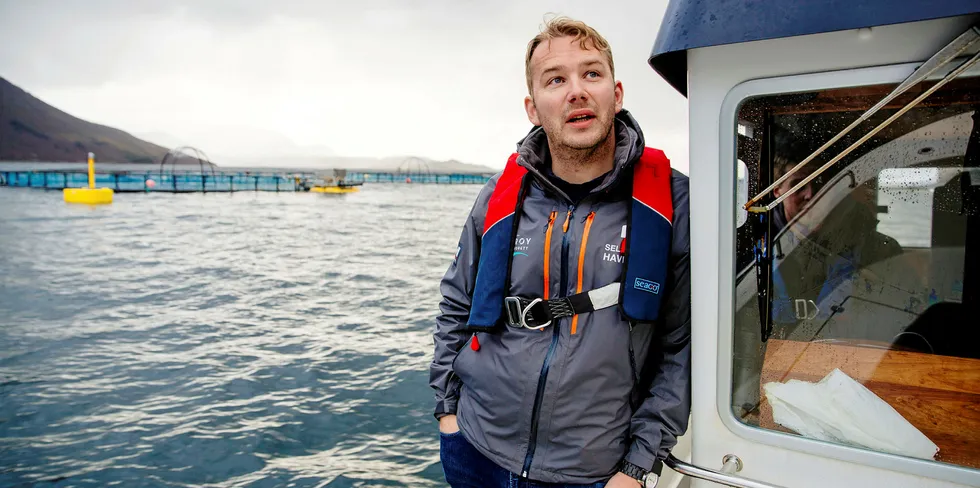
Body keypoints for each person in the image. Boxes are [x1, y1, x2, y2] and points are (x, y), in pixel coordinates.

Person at [429, 17, 691, 488]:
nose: (577, 91)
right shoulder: (499, 197)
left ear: (618, 92)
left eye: (592, 73)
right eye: (556, 79)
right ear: (533, 108)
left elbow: (683, 346)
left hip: (592, 472)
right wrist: (448, 412)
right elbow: (455, 303)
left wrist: (637, 467)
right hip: (474, 448)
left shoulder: (672, 204)